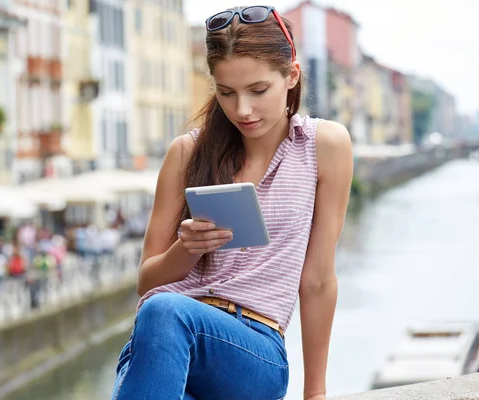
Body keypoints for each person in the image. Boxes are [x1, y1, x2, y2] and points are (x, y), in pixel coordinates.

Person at [111, 5, 353, 400]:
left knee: (164, 311)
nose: (242, 109)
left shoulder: (323, 147)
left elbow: (318, 280)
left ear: (291, 76)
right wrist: (185, 250)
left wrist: (316, 394)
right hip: (163, 344)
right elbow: (147, 281)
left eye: (258, 91)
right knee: (161, 314)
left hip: (253, 352)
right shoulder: (186, 153)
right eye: (226, 92)